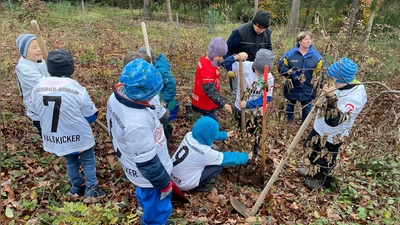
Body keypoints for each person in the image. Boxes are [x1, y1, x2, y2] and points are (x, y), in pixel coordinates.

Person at [29, 49, 105, 201]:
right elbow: (90, 116)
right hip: (80, 136)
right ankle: (92, 188)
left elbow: (34, 115)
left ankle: (76, 185)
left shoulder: (37, 88)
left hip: (57, 138)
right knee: (88, 161)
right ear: (71, 67)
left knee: (71, 161)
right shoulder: (76, 88)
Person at [106, 58, 173, 225]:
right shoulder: (136, 123)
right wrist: (164, 184)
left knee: (146, 196)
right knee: (158, 207)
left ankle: (146, 209)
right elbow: (148, 163)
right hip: (150, 177)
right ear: (142, 95)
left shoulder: (117, 97)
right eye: (152, 95)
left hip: (133, 164)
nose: (153, 99)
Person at [297, 58, 367, 189]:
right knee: (310, 148)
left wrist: (330, 98)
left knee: (326, 160)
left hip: (332, 135)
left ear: (344, 81)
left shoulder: (355, 97)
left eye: (333, 81)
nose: (330, 83)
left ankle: (324, 182)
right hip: (320, 128)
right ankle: (314, 170)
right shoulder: (338, 86)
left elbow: (334, 121)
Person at [171, 116, 249, 192]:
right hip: (183, 184)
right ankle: (196, 187)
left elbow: (205, 133)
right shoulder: (205, 152)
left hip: (170, 174)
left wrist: (225, 135)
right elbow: (227, 158)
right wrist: (246, 157)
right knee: (218, 167)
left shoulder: (188, 136)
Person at [233, 49, 275, 155]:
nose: (260, 75)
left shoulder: (269, 78)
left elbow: (267, 98)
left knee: (256, 132)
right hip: (239, 109)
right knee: (240, 131)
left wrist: (248, 104)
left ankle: (254, 151)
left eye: (263, 73)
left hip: (255, 112)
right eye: (259, 72)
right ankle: (241, 151)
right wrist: (236, 57)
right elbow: (224, 63)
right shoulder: (244, 66)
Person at [278, 31, 325, 123]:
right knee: (290, 104)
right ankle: (288, 121)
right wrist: (290, 73)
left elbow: (320, 72)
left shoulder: (317, 56)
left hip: (308, 86)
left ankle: (305, 124)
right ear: (299, 41)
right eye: (305, 39)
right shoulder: (290, 54)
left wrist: (319, 86)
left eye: (310, 39)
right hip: (292, 85)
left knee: (307, 106)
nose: (308, 41)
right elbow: (281, 66)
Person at [225, 10, 272, 91]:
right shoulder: (239, 32)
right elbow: (227, 51)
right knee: (239, 94)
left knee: (256, 92)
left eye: (264, 29)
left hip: (258, 72)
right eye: (259, 28)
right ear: (255, 23)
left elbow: (268, 51)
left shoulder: (267, 33)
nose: (261, 31)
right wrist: (230, 68)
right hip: (240, 70)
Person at [15, 34, 50, 136]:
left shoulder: (41, 61)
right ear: (24, 51)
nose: (39, 49)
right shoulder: (24, 68)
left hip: (50, 103)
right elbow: (44, 84)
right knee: (49, 136)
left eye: (40, 46)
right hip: (37, 108)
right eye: (34, 47)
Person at [191, 37, 232, 123]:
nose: (221, 58)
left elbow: (221, 63)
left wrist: (234, 58)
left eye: (222, 56)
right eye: (220, 56)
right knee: (214, 126)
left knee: (208, 122)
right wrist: (223, 103)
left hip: (206, 101)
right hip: (204, 103)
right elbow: (209, 88)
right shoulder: (207, 68)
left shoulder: (207, 60)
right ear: (212, 53)